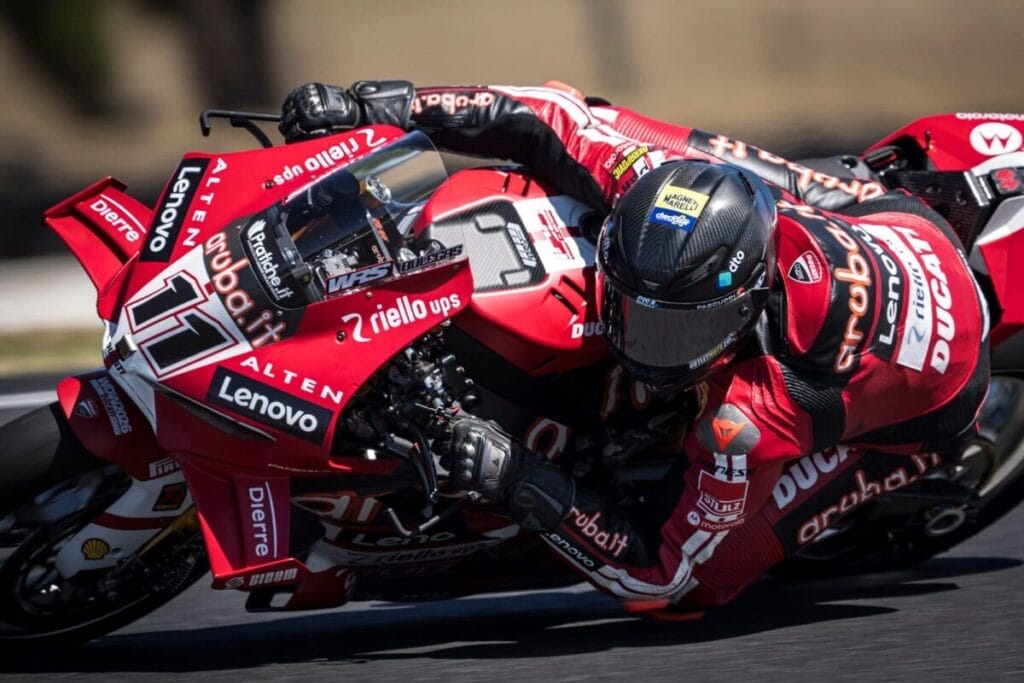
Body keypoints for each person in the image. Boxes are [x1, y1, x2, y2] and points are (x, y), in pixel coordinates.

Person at [279, 81, 991, 612]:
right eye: (628, 303)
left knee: (711, 580)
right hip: (882, 221)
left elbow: (665, 576)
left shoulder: (751, 411)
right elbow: (547, 113)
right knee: (625, 133)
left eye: (673, 329)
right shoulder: (646, 179)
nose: (638, 341)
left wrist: (518, 476)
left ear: (739, 314)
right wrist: (388, 106)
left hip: (937, 392)